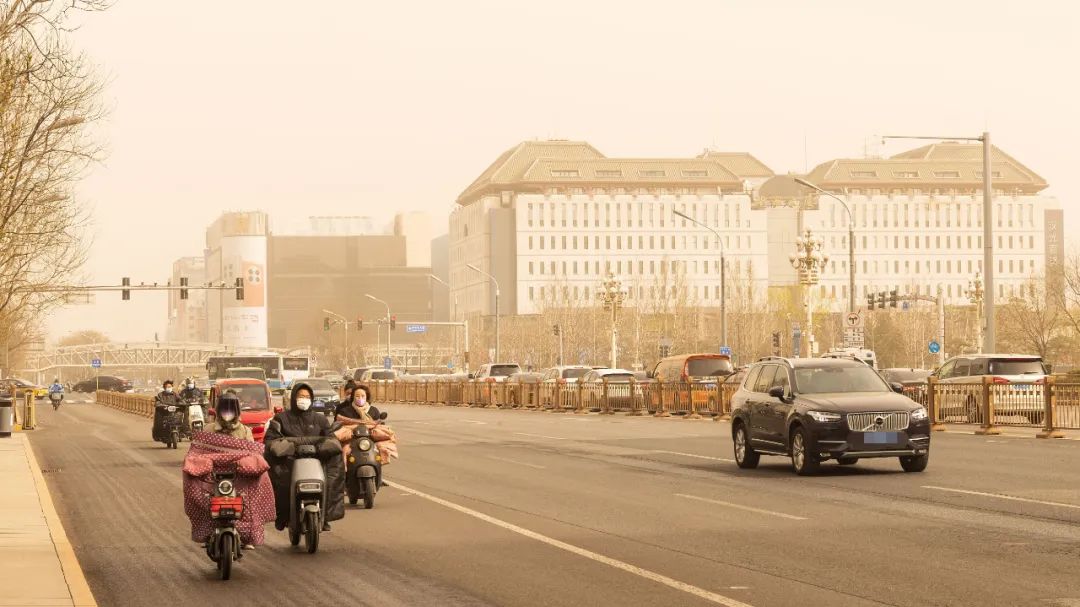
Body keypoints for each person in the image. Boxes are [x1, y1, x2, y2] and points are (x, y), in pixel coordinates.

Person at [263, 382, 344, 532]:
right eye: (301, 396)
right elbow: (271, 440)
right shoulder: (281, 419)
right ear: (294, 397)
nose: (304, 399)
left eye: (307, 397)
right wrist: (286, 447)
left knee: (334, 469)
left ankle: (326, 515)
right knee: (280, 481)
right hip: (290, 462)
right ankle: (283, 516)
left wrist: (322, 447)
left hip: (317, 461)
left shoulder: (320, 419)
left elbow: (330, 438)